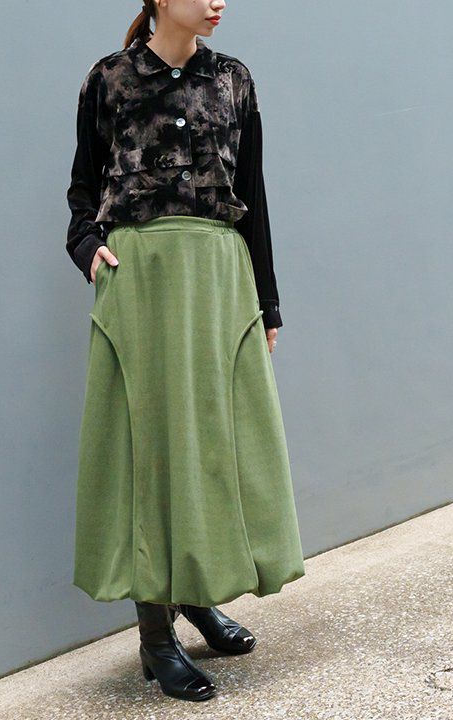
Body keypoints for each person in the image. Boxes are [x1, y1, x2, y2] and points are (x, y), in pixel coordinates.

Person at [65, 0, 306, 702]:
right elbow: (82, 189)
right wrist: (87, 247)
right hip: (141, 280)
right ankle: (155, 635)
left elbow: (252, 195)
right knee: (151, 446)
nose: (218, 2)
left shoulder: (234, 79)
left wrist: (267, 301)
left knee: (214, 441)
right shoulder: (108, 80)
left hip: (220, 277)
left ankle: (198, 598)